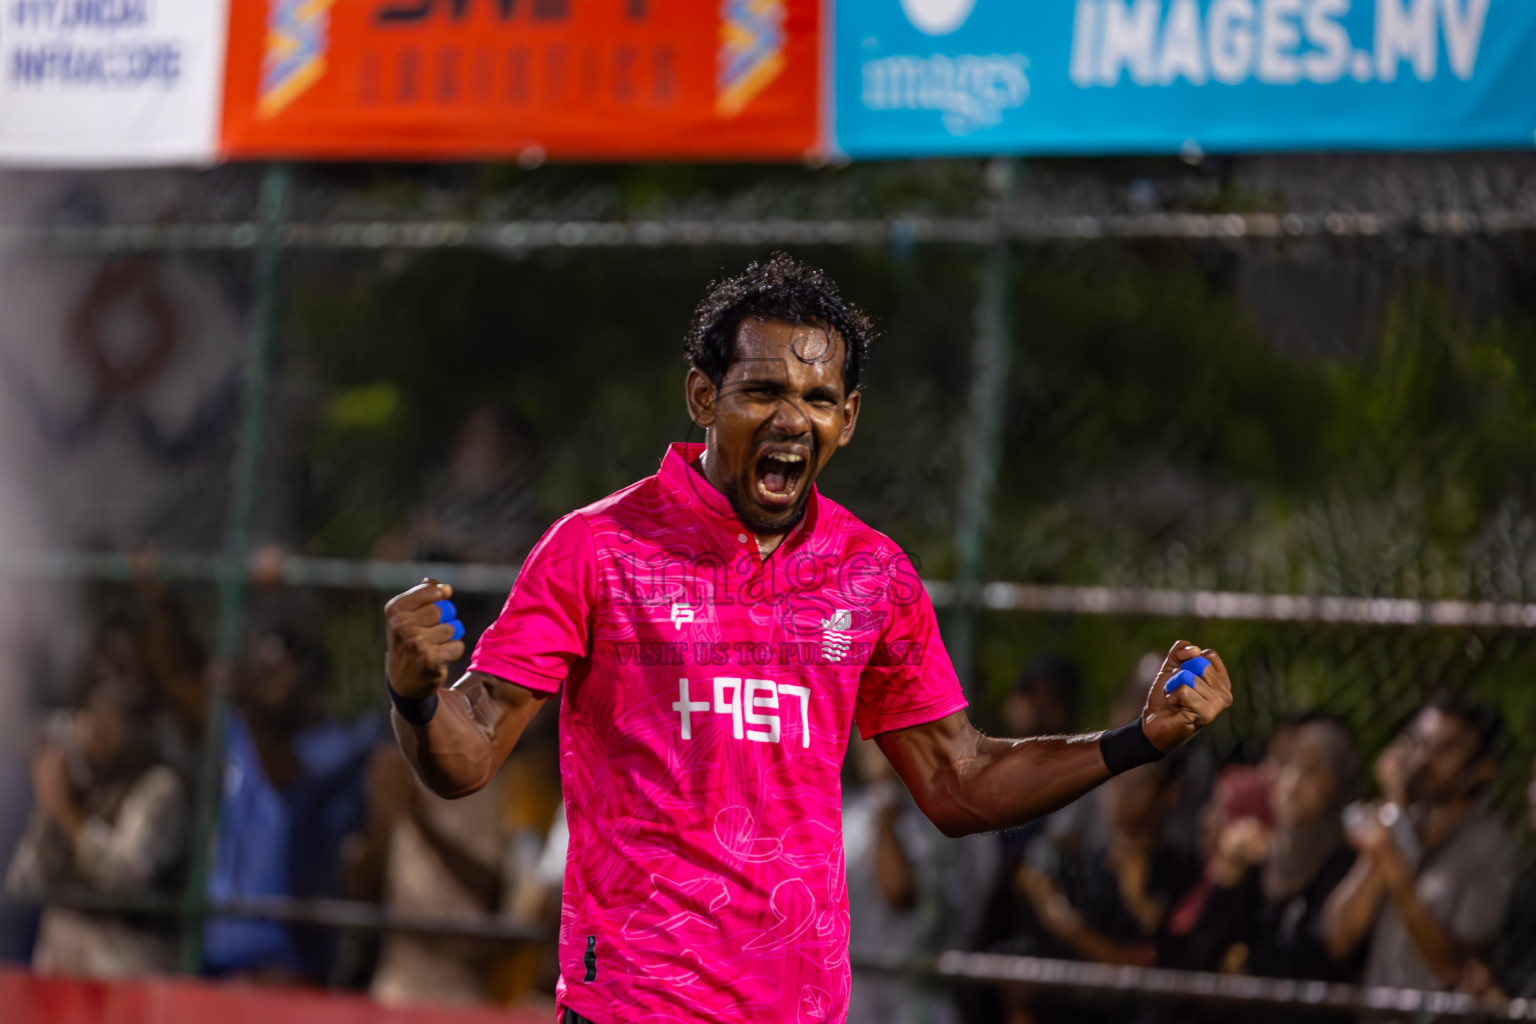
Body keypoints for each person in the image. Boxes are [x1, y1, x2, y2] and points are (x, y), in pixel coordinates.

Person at [381, 254, 1236, 1023]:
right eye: (762, 392)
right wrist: (416, 696)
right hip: (636, 1004)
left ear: (849, 417)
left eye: (819, 399)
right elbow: (467, 757)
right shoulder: (596, 548)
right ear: (703, 397)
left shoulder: (874, 574)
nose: (793, 419)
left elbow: (958, 781)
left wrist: (1136, 741)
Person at [1322, 699, 1518, 1000]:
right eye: (1419, 742)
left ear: (1483, 769)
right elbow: (1339, 937)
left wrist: (1397, 875)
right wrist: (1392, 814)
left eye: (1445, 749)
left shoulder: (1494, 849)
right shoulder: (1399, 824)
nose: (1424, 758)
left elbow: (1453, 966)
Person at [5, 671, 186, 977]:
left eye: (110, 718)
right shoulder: (79, 781)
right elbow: (25, 879)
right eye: (93, 714)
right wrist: (49, 808)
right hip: (59, 969)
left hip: (120, 967)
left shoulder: (160, 787)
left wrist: (67, 812)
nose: (96, 729)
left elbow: (123, 875)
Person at [1171, 717, 1363, 982]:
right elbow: (1199, 954)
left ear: (1338, 785)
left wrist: (1252, 964)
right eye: (1288, 765)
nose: (1293, 784)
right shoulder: (1258, 855)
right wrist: (1228, 876)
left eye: (1312, 772)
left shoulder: (1346, 863)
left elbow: (1321, 961)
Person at [843, 736, 998, 1024]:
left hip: (918, 1003)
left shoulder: (948, 826)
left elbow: (897, 891)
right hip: (855, 1004)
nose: (869, 743)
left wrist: (886, 794)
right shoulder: (848, 812)